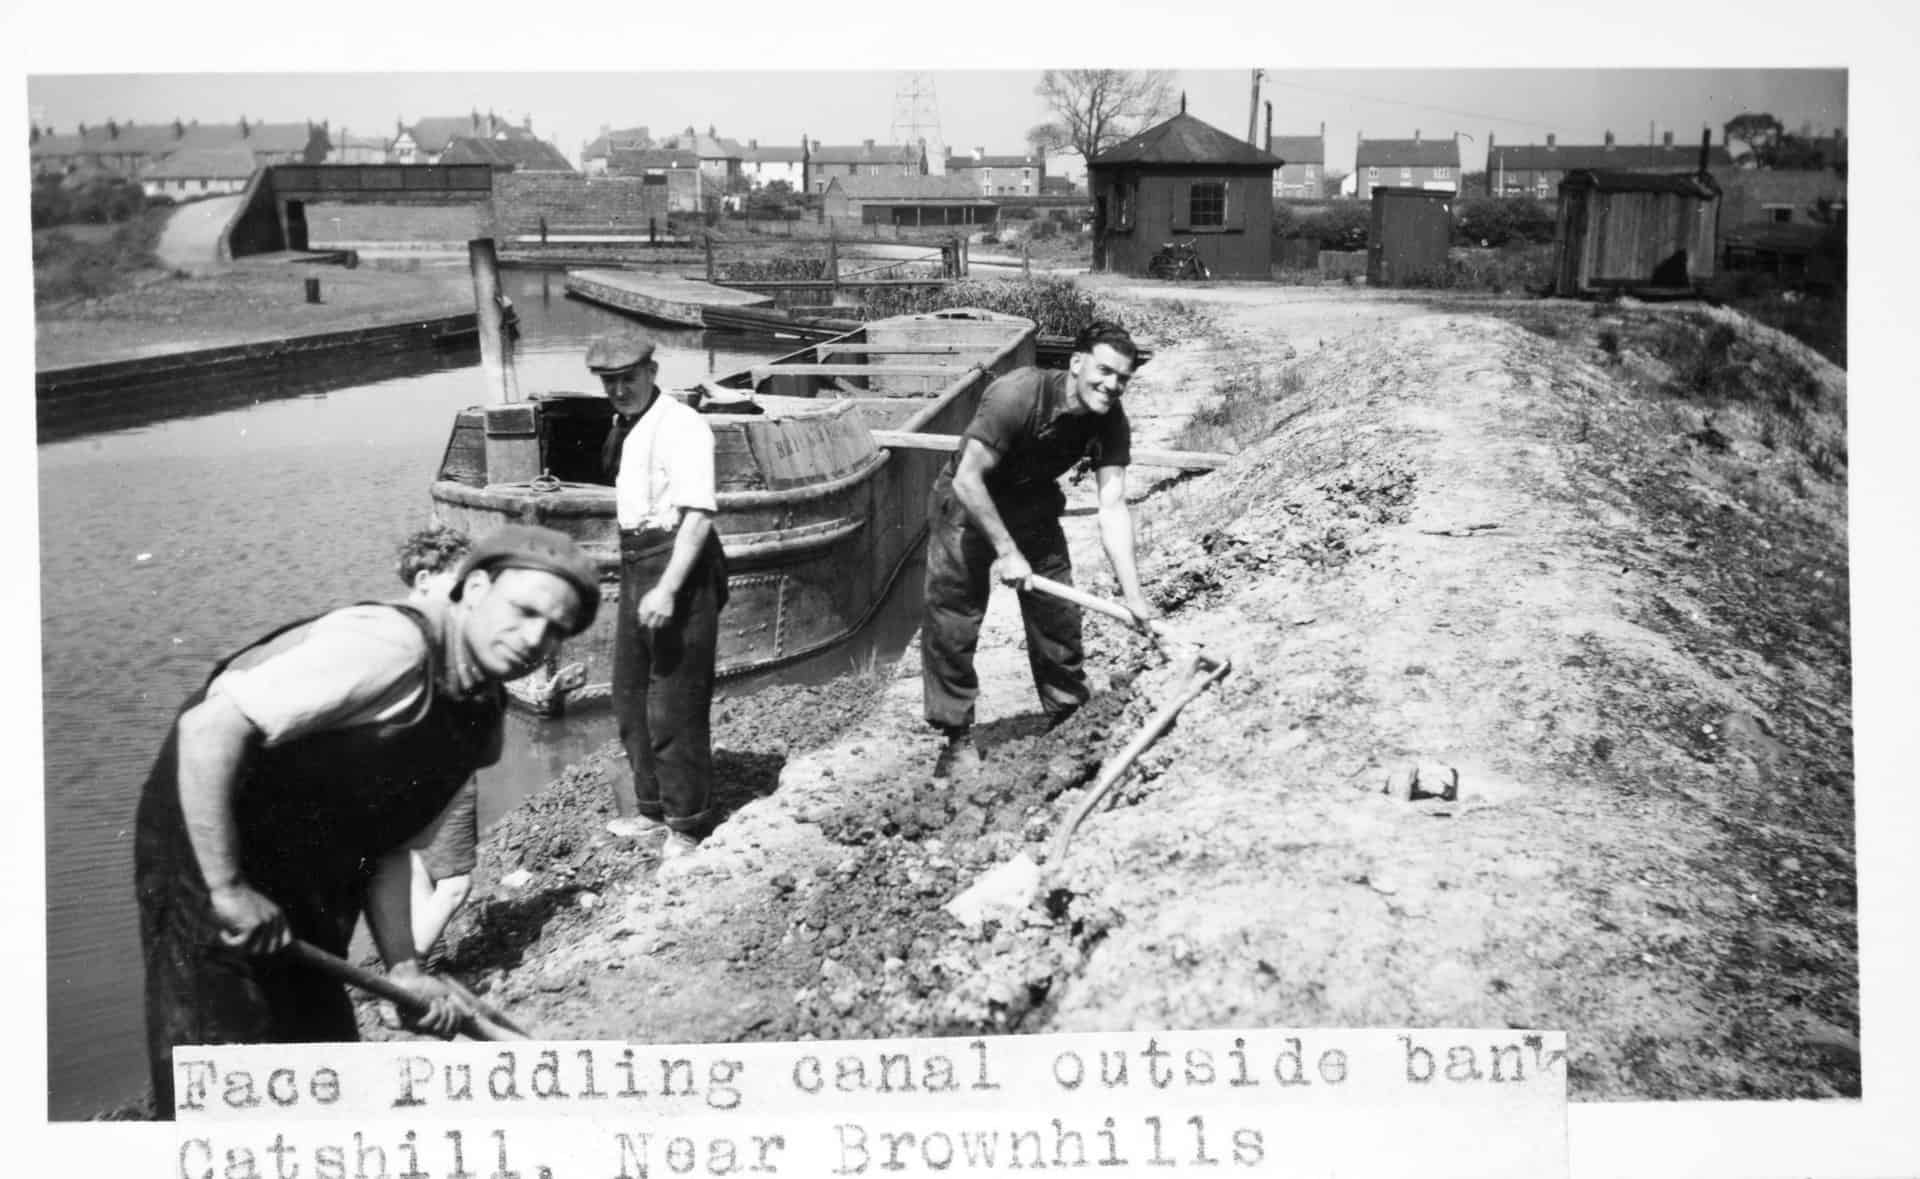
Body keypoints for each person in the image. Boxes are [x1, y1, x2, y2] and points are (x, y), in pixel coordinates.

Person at [134, 524, 600, 1118]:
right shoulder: (391, 647)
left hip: (307, 851)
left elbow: (387, 842)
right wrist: (225, 889)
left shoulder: (478, 718)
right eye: (525, 610)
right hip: (207, 834)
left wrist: (405, 968)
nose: (536, 638)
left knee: (319, 1042)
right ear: (476, 587)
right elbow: (207, 730)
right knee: (222, 1056)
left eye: (557, 629)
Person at [922, 320, 1162, 777]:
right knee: (953, 616)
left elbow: (1112, 505)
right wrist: (1007, 552)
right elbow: (967, 479)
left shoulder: (1111, 420)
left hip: (1031, 502)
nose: (1112, 386)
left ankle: (1068, 713)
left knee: (1056, 609)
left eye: (1123, 379)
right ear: (1076, 363)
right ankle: (955, 738)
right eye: (1104, 371)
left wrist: (1133, 595)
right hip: (969, 502)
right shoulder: (1017, 395)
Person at [587, 330, 729, 859]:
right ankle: (652, 809)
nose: (620, 389)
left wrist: (668, 587)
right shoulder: (628, 424)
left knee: (674, 703)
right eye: (610, 382)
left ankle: (686, 824)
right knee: (629, 697)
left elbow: (699, 513)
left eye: (628, 378)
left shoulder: (683, 426)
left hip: (679, 567)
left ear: (652, 372)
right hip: (637, 563)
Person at [386, 527, 478, 966]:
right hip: (443, 773)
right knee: (457, 883)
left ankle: (418, 957)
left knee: (418, 862)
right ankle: (407, 971)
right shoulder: (438, 635)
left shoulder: (393, 627)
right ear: (424, 580)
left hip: (401, 772)